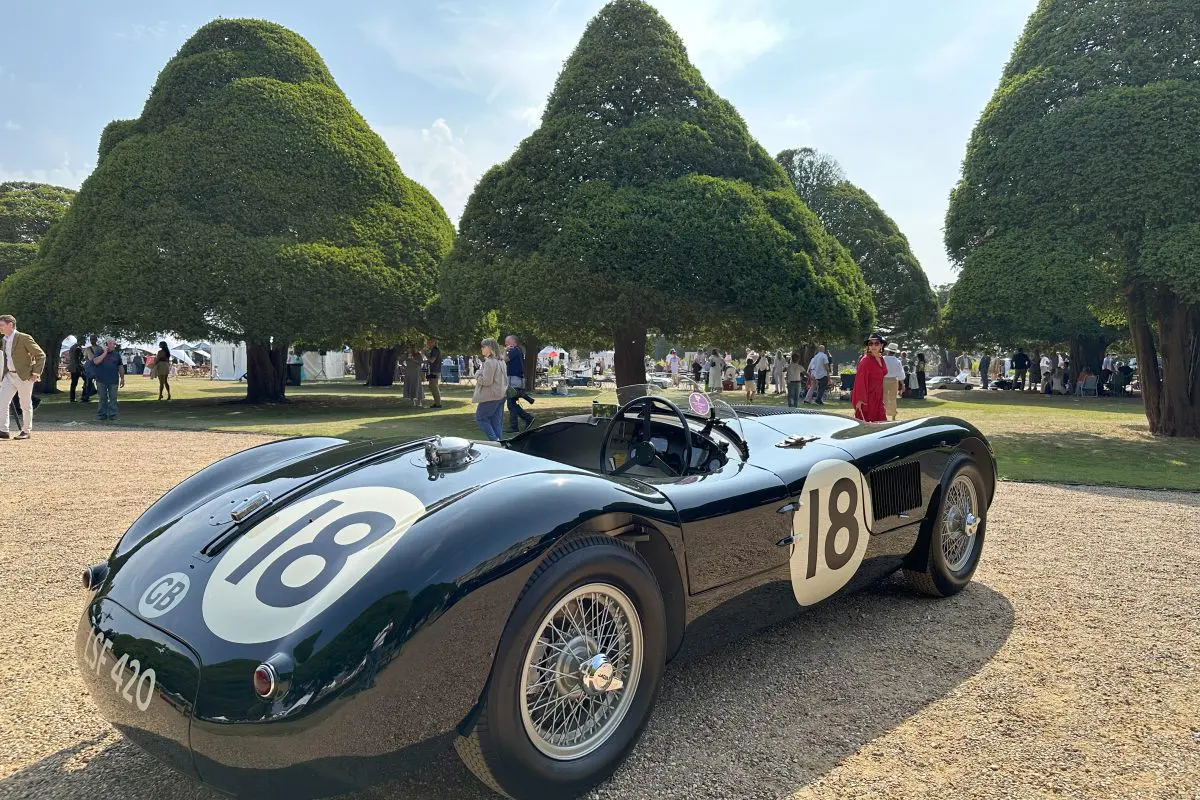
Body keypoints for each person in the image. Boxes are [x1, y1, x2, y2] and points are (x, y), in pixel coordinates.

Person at [0, 315, 46, 440]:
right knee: (2, 402)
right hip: (9, 375)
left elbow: (41, 355)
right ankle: (4, 430)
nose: (0, 328)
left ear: (10, 324)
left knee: (25, 404)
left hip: (24, 376)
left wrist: (36, 373)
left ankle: (26, 431)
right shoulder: (4, 340)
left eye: (2, 325)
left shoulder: (24, 338)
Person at [472, 338, 508, 441]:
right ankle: (499, 443)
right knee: (496, 422)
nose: (481, 349)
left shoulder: (490, 362)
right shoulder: (501, 361)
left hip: (491, 396)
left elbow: (486, 381)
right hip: (501, 395)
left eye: (483, 347)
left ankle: (494, 440)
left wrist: (477, 375)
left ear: (489, 348)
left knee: (480, 418)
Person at [851, 333, 888, 423]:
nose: (873, 346)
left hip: (878, 396)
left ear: (881, 345)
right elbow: (859, 381)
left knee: (881, 423)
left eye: (876, 343)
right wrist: (860, 399)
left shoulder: (880, 359)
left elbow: (883, 372)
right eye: (870, 344)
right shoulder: (865, 361)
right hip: (868, 398)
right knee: (868, 425)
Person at [504, 335, 534, 432]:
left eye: (507, 341)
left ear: (514, 341)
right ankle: (517, 424)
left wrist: (505, 351)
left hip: (514, 380)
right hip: (516, 379)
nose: (506, 343)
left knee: (511, 403)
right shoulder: (517, 350)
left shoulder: (514, 350)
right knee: (512, 403)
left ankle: (524, 420)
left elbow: (505, 359)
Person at [91, 338, 125, 421]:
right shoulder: (99, 352)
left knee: (113, 398)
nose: (114, 346)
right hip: (101, 380)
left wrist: (122, 378)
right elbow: (96, 362)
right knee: (102, 398)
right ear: (107, 344)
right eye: (113, 344)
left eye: (114, 344)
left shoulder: (116, 355)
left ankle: (113, 415)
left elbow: (120, 366)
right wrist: (105, 353)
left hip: (113, 380)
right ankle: (102, 415)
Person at [882, 342, 905, 421]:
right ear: (895, 352)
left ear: (888, 351)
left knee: (884, 397)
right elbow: (901, 373)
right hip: (894, 380)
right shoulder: (897, 361)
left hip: (884, 380)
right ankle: (893, 415)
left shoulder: (883, 359)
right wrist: (903, 384)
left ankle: (884, 414)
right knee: (893, 398)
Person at [425, 338, 443, 408]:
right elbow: (431, 361)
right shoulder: (433, 350)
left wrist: (425, 354)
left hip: (435, 372)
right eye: (427, 342)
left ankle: (438, 404)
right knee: (431, 386)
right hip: (432, 371)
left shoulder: (435, 350)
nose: (428, 344)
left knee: (434, 387)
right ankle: (436, 402)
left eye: (430, 342)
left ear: (434, 343)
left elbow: (432, 360)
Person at [67, 337, 85, 402]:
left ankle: (72, 398)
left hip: (73, 368)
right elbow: (78, 359)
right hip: (77, 368)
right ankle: (84, 396)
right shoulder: (77, 349)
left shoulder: (72, 347)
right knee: (87, 381)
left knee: (74, 383)